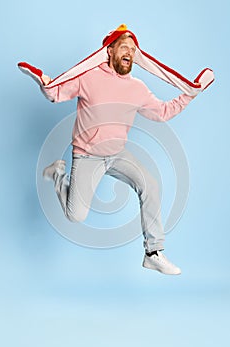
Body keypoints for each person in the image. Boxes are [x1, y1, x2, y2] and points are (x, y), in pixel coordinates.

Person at [20, 24, 212, 275]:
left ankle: (153, 252)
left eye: (133, 50)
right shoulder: (88, 77)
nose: (130, 53)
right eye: (124, 47)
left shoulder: (137, 88)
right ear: (109, 50)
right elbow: (56, 93)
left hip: (117, 154)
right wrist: (44, 82)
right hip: (87, 156)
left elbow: (163, 112)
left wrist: (189, 94)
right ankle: (57, 174)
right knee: (75, 216)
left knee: (150, 184)